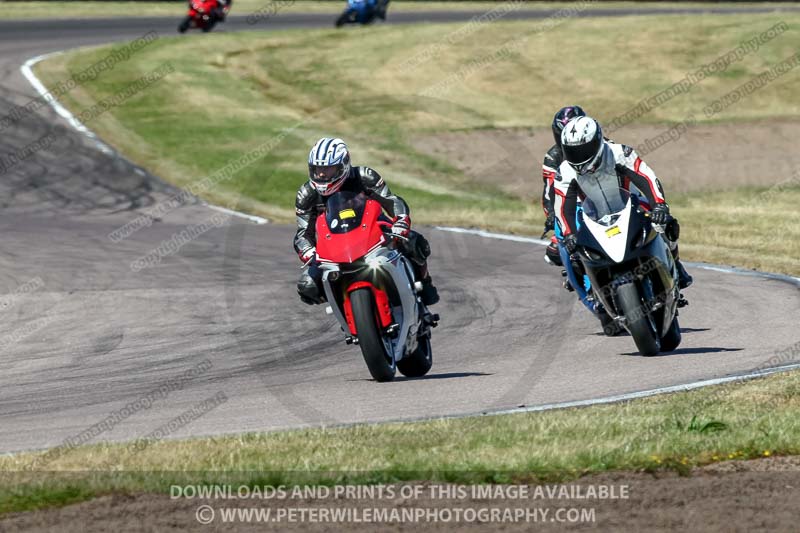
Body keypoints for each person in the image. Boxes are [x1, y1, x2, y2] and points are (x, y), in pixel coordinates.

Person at [553, 115, 693, 290]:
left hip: (631, 205)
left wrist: (660, 205)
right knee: (575, 255)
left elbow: (646, 176)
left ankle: (677, 265)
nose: (578, 157)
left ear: (596, 142)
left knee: (666, 225)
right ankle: (594, 293)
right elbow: (562, 208)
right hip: (594, 216)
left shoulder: (618, 153)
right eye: (572, 151)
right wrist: (569, 234)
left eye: (583, 150)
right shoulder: (564, 172)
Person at [294, 137, 439, 306]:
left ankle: (425, 283)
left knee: (415, 242)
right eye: (317, 168)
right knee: (308, 286)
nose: (321, 174)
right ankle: (346, 312)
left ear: (343, 165)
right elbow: (303, 233)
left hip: (375, 234)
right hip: (335, 248)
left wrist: (400, 221)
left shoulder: (365, 176)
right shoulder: (306, 195)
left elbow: (391, 201)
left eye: (328, 168)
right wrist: (308, 252)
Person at [541, 105, 587, 267]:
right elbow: (549, 194)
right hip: (572, 206)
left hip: (604, 202)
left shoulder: (601, 147)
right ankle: (578, 282)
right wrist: (552, 215)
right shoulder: (553, 157)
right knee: (555, 253)